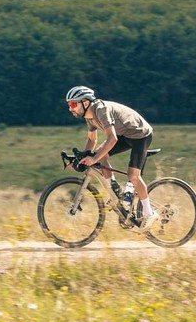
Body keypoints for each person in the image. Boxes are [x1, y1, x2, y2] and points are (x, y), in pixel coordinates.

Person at [64, 85, 159, 232]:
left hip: (141, 135)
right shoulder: (89, 116)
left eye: (73, 104)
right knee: (100, 155)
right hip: (125, 135)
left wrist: (94, 159)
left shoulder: (101, 110)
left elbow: (112, 138)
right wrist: (82, 158)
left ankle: (149, 213)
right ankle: (115, 189)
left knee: (133, 175)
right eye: (69, 105)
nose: (70, 109)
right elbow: (92, 140)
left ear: (85, 102)